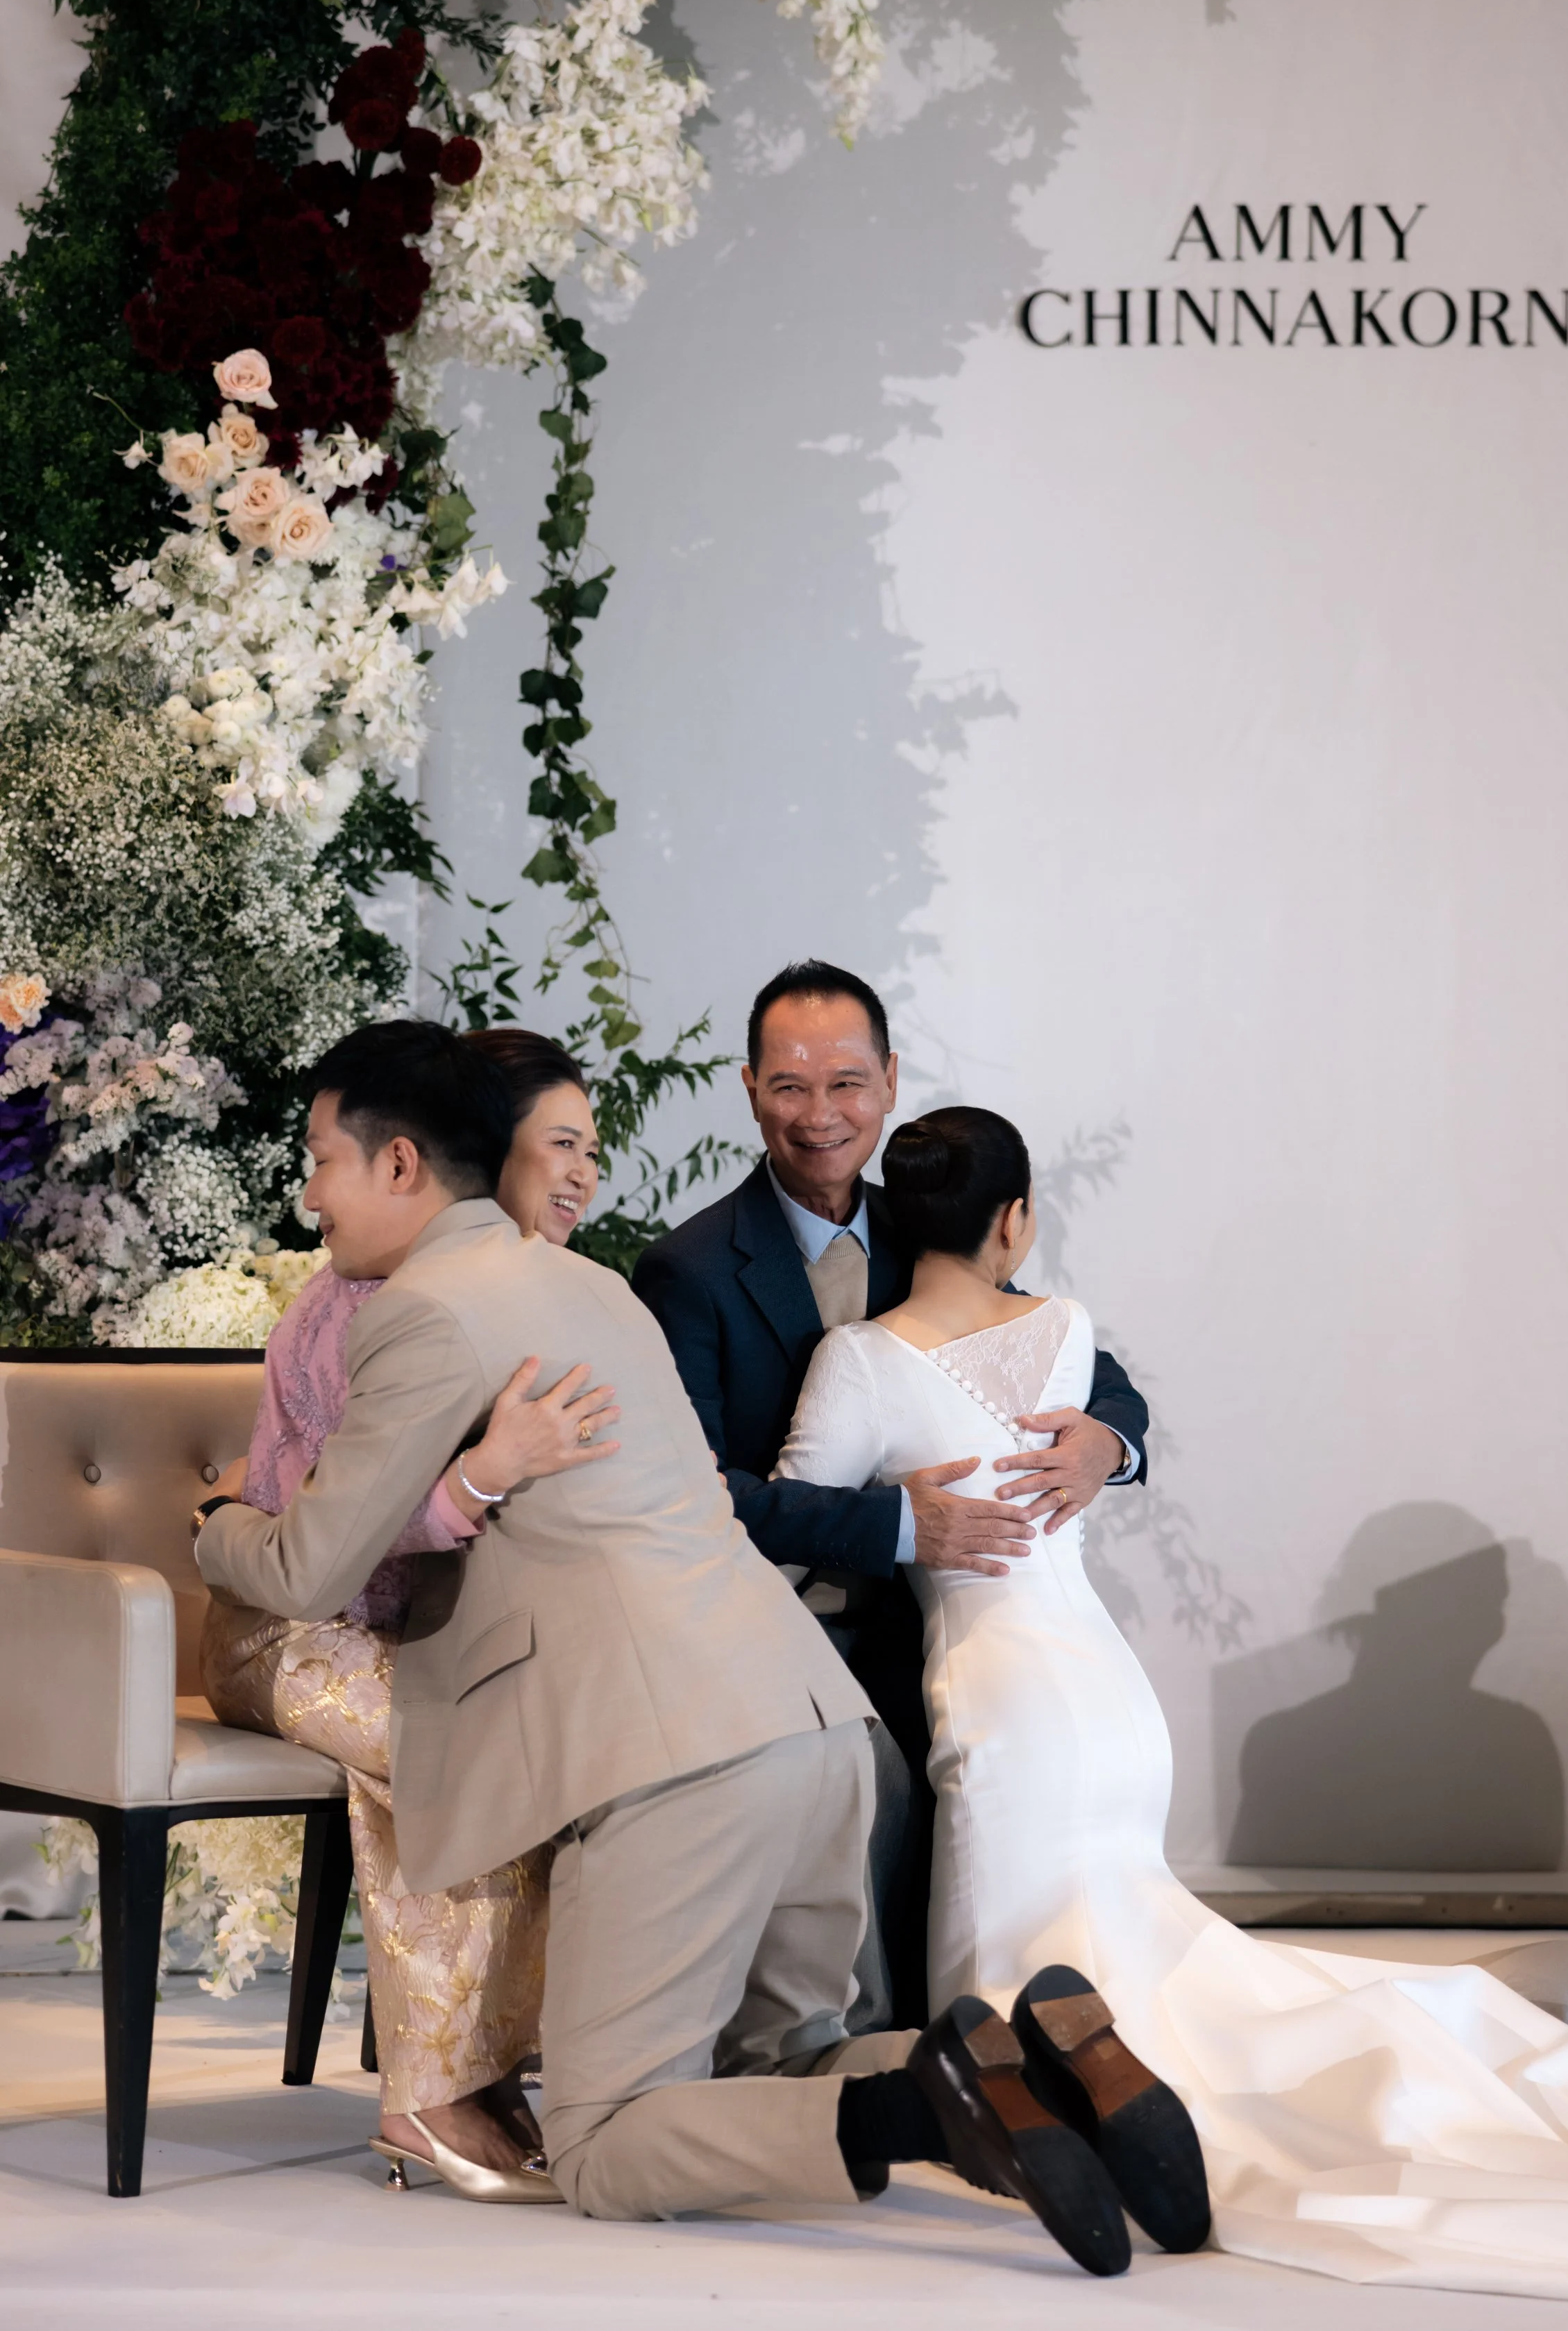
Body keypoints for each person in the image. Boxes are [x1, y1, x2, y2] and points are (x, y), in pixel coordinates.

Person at [193, 1021, 1197, 2271]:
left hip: (672, 1755)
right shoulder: (595, 1287)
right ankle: (1050, 2071)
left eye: (320, 1161)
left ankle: (931, 2109)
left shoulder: (420, 1312)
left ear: (400, 1164)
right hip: (816, 1725)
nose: (310, 1195)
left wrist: (215, 1525)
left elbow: (308, 1569)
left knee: (605, 2143)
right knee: (785, 2056)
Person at [775, 1106, 1568, 2302]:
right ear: (1015, 1221)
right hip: (1110, 1695)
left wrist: (887, 1514)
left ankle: (1050, 2128)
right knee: (1123, 1944)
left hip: (1004, 1695)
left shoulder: (862, 1362)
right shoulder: (1066, 1331)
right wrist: (1098, 1447)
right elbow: (1104, 1419)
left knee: (1013, 1971)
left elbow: (781, 1519)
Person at [631, 959, 1152, 2019]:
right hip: (798, 1629)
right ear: (749, 1088)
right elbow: (694, 1495)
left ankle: (994, 2031)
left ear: (890, 1082)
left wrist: (1108, 1442)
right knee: (892, 1787)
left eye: (847, 1083)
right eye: (790, 1085)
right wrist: (900, 1523)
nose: (820, 1115)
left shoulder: (926, 1219)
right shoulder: (688, 1272)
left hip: (947, 1626)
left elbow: (1082, 1369)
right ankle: (868, 2049)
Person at [200, 1027, 612, 2192]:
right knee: (449, 1742)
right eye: (559, 1147)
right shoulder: (363, 1307)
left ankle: (483, 2073)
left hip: (400, 1626)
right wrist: (482, 1478)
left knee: (516, 1731)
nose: (577, 1177)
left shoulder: (519, 1293)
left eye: (589, 1152)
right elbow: (329, 1549)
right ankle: (433, 2095)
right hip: (281, 1629)